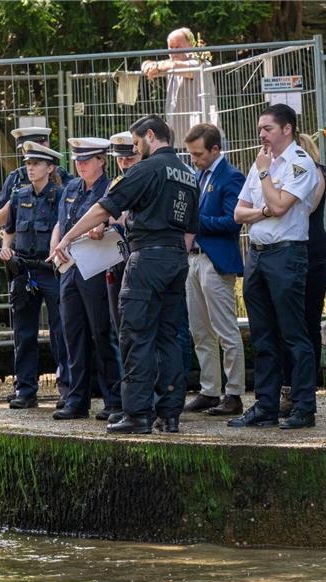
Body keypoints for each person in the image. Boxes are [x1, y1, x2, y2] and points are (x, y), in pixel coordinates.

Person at [51, 115, 199, 434]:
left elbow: (105, 208)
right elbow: (190, 231)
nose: (134, 148)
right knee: (169, 337)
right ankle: (169, 414)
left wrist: (66, 237)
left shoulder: (146, 169)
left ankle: (137, 414)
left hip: (146, 258)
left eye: (135, 142)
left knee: (136, 335)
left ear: (149, 136)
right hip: (176, 259)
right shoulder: (188, 175)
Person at [231, 103, 320, 430]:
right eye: (260, 129)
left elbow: (282, 205)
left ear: (287, 129)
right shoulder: (261, 163)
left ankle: (303, 406)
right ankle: (265, 406)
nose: (262, 134)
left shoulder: (299, 163)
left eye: (267, 128)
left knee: (293, 333)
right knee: (263, 335)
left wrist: (267, 179)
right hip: (256, 253)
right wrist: (264, 211)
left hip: (286, 254)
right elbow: (239, 213)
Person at [50, 137, 124, 421]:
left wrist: (103, 224)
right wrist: (56, 245)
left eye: (87, 160)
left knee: (102, 333)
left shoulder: (112, 187)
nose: (80, 165)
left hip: (98, 266)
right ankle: (76, 399)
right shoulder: (70, 188)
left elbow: (116, 218)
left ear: (101, 160)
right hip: (69, 267)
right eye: (77, 160)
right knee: (73, 334)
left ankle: (113, 399)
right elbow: (62, 222)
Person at [181, 123, 246, 417]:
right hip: (194, 258)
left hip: (215, 259)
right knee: (199, 330)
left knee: (225, 330)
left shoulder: (231, 177)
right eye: (191, 154)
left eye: (198, 154)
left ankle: (233, 393)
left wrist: (195, 222)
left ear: (215, 149)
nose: (194, 160)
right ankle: (209, 390)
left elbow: (233, 221)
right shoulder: (198, 175)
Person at [0, 141, 69, 410]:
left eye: (36, 164)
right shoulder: (19, 195)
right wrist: (6, 250)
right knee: (23, 334)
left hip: (51, 270)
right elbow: (9, 229)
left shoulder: (62, 195)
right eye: (28, 164)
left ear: (50, 167)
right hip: (24, 270)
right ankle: (25, 390)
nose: (30, 169)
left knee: (60, 333)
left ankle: (67, 390)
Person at [280, 134, 326, 414]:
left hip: (312, 253)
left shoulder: (315, 171)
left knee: (309, 321)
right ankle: (289, 386)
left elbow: (304, 207)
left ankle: (306, 387)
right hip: (289, 252)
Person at [140, 28, 216, 148]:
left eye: (178, 47)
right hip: (178, 143)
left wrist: (156, 66)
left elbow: (178, 66)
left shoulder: (201, 64)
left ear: (191, 45)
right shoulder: (168, 67)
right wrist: (147, 65)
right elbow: (165, 65)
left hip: (205, 143)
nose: (174, 51)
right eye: (171, 47)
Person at [0, 127, 71, 228]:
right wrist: (17, 198)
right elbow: (0, 220)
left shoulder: (61, 175)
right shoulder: (16, 177)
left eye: (31, 147)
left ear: (45, 146)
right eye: (23, 149)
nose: (26, 152)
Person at [105, 131, 141, 329]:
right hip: (115, 257)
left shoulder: (148, 180)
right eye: (120, 159)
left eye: (130, 158)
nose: (125, 164)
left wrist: (116, 219)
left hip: (140, 257)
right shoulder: (115, 183)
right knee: (118, 321)